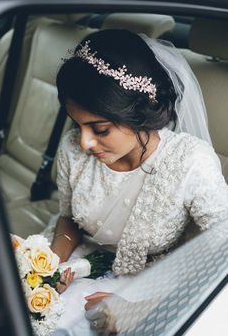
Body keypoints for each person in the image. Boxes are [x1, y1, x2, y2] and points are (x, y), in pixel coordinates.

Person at [47, 29, 228, 335]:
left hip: (158, 286)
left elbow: (222, 254)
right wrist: (49, 266)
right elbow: (68, 219)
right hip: (81, 265)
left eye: (100, 129)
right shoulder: (72, 148)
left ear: (138, 114)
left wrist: (144, 308)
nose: (85, 142)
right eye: (78, 125)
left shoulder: (190, 161)